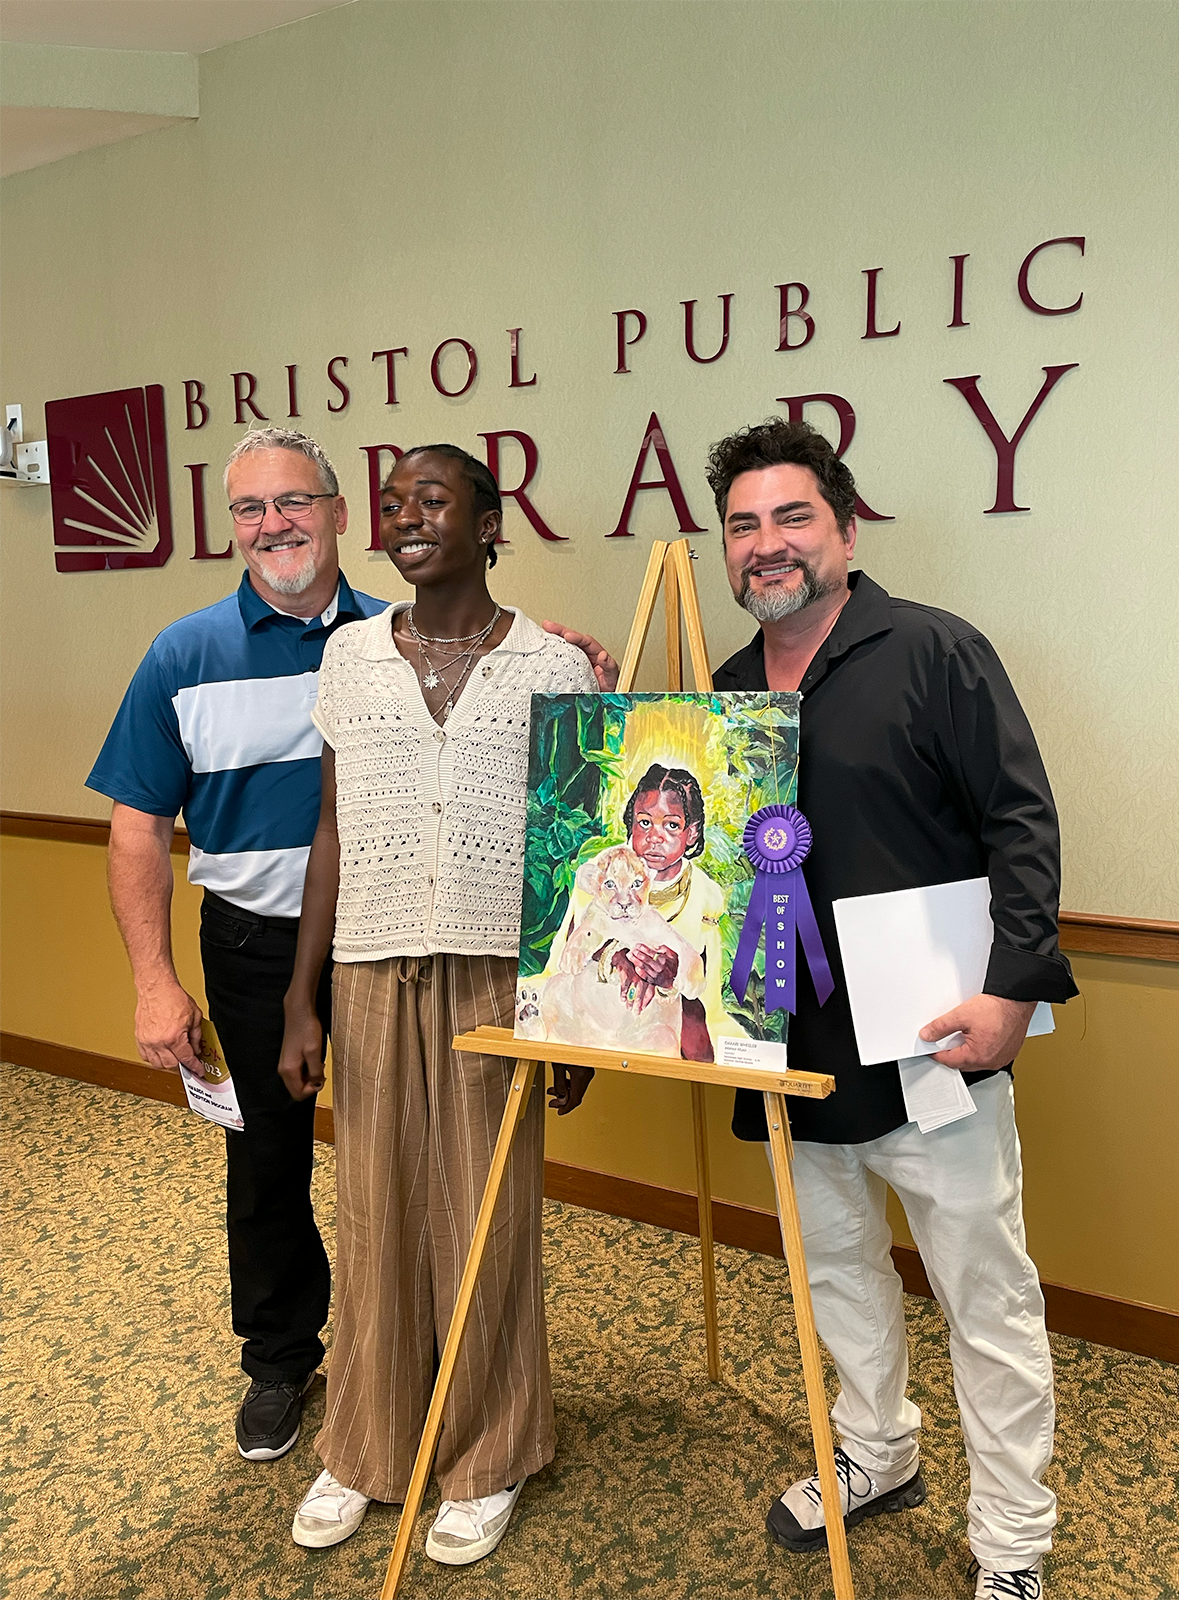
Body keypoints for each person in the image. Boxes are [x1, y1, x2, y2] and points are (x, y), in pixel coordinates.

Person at [550, 417, 1078, 1600]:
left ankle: (1013, 1544)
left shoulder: (936, 651)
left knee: (983, 1296)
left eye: (792, 517)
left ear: (844, 527)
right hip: (786, 1048)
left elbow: (1021, 824)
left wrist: (1010, 989)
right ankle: (879, 1452)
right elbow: (680, 867)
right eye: (743, 525)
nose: (766, 544)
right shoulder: (731, 694)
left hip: (936, 1041)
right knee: (834, 1271)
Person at [278, 443, 597, 1562]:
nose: (406, 515)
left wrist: (571, 1009)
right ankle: (364, 1444)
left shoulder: (556, 666)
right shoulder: (352, 658)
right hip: (368, 964)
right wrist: (300, 1001)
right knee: (369, 1210)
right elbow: (330, 833)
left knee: (486, 1213)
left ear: (487, 520)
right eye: (394, 500)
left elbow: (571, 853)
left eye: (433, 498)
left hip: (495, 975)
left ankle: (488, 1453)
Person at [86, 429, 389, 1462]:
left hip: (389, 945)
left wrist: (569, 651)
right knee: (265, 1163)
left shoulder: (404, 638)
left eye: (294, 502)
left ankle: (410, 1346)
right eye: (252, 509)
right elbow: (136, 823)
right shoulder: (183, 654)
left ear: (339, 511)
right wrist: (154, 981)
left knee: (406, 1153)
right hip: (253, 947)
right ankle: (279, 1360)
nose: (275, 525)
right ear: (234, 526)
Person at [542, 764, 743, 1060]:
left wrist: (671, 978)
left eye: (672, 825)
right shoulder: (602, 868)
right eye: (644, 822)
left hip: (662, 1022)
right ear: (631, 823)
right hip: (590, 1007)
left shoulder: (705, 893)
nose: (655, 837)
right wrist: (618, 956)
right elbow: (573, 949)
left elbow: (704, 991)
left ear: (693, 831)